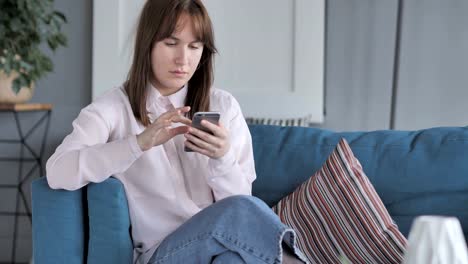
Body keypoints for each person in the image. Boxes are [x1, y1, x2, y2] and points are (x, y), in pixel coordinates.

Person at [46, 0, 307, 263]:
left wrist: (223, 158)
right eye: (171, 44)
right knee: (240, 211)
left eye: (194, 46)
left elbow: (239, 213)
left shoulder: (224, 106)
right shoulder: (113, 108)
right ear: (147, 43)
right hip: (163, 253)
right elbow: (57, 171)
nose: (183, 59)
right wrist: (137, 143)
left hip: (221, 247)